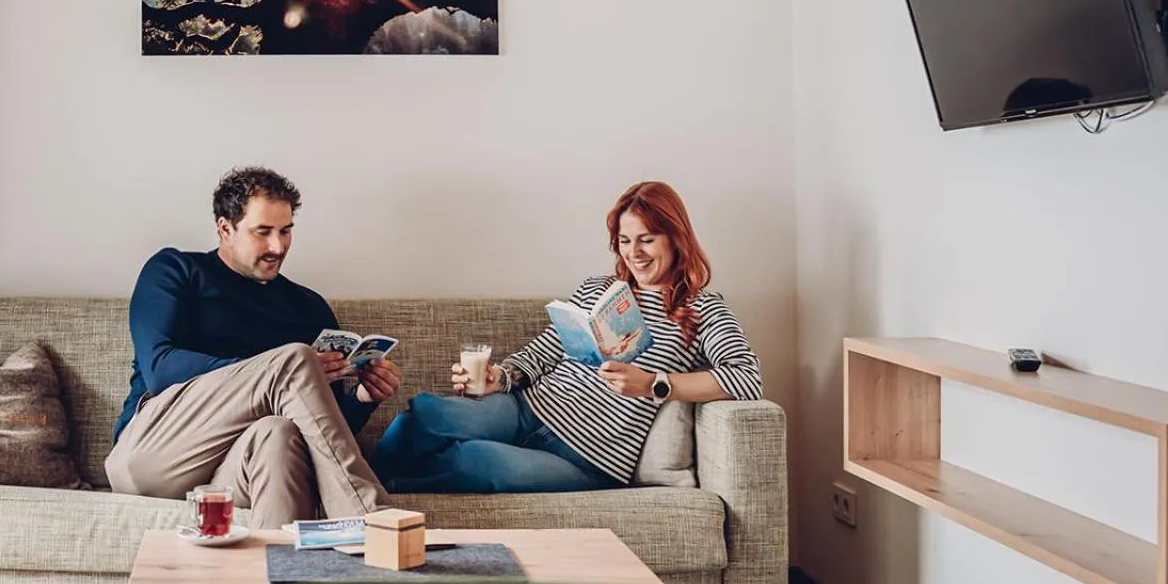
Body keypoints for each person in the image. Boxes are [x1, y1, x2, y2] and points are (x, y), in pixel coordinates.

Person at [375, 181, 762, 493]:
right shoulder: (598, 289)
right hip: (527, 410)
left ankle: (386, 493)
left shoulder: (704, 308)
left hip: (588, 458)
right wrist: (501, 377)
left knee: (472, 461)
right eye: (625, 241)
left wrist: (654, 385)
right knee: (425, 413)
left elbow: (747, 378)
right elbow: (543, 352)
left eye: (646, 239)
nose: (634, 253)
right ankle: (357, 492)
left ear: (676, 238)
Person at [105, 167, 402, 526]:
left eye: (286, 231)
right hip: (156, 455)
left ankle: (283, 575)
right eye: (263, 232)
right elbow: (159, 368)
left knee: (279, 434)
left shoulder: (309, 307)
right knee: (294, 361)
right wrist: (273, 372)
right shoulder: (176, 270)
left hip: (234, 473)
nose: (277, 247)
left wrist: (361, 400)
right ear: (225, 228)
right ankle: (374, 522)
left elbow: (322, 436)